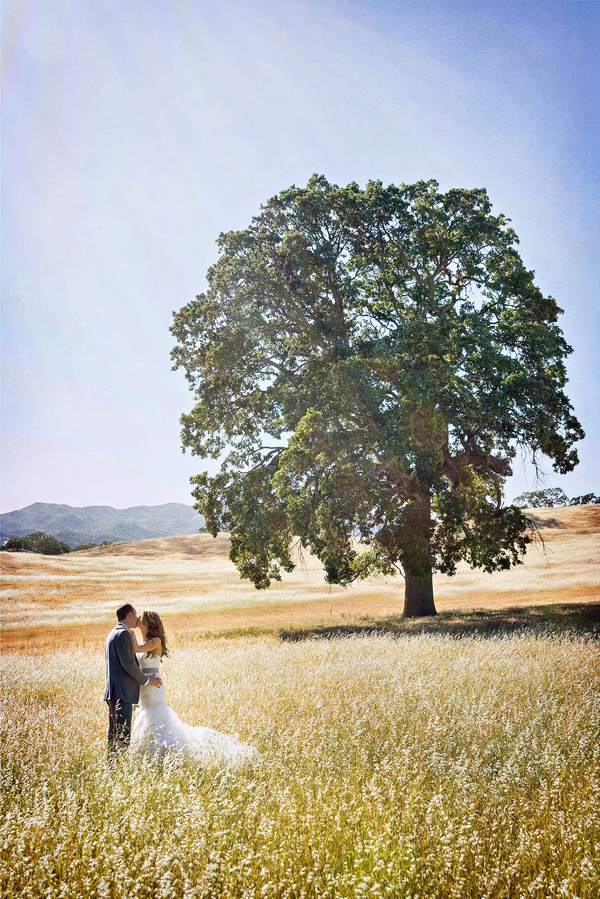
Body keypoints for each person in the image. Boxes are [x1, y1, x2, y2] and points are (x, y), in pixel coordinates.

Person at [130, 610, 258, 768]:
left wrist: (127, 629)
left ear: (149, 623)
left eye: (139, 617)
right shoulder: (144, 641)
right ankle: (151, 758)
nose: (136, 618)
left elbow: (135, 649)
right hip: (144, 687)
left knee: (156, 717)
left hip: (154, 686)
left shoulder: (155, 641)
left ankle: (166, 756)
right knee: (146, 717)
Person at [103, 603, 162, 760]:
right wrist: (146, 680)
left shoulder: (113, 633)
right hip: (122, 692)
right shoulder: (122, 634)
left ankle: (112, 766)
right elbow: (128, 664)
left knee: (114, 733)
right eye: (135, 614)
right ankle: (118, 768)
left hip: (115, 691)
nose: (137, 618)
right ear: (129, 615)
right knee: (122, 736)